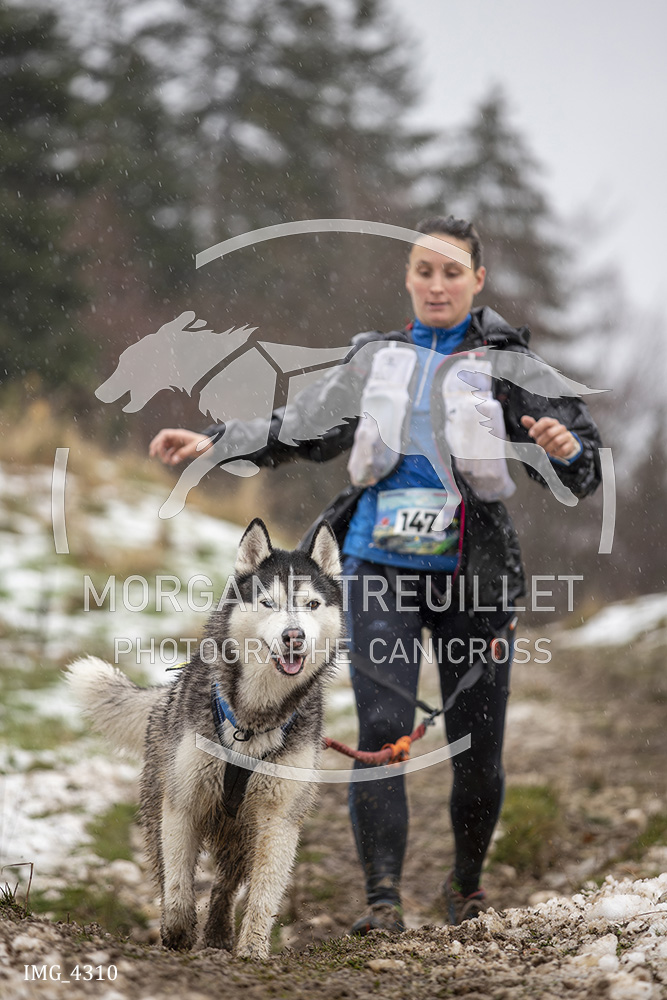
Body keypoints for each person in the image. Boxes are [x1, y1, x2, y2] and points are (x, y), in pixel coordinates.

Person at [150, 215, 602, 932]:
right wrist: (216, 442)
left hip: (474, 579)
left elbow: (582, 465)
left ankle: (465, 885)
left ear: (477, 280)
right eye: (424, 270)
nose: (436, 284)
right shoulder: (376, 359)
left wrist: (564, 447)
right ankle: (382, 900)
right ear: (408, 277)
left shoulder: (510, 364)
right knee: (383, 731)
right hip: (376, 567)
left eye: (451, 272)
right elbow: (300, 425)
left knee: (477, 748)